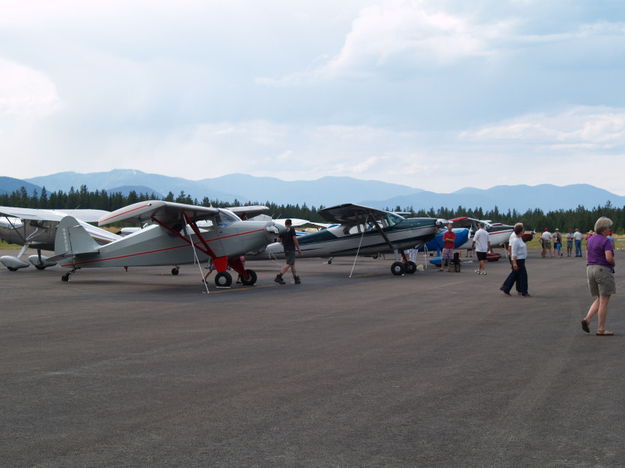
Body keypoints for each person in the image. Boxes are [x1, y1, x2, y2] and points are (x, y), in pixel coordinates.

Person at [581, 217, 616, 336]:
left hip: (590, 268)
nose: (610, 229)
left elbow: (587, 255)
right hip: (602, 269)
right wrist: (613, 263)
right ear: (604, 229)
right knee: (604, 300)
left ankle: (587, 319)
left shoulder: (590, 239)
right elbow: (609, 258)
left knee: (599, 298)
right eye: (609, 227)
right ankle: (601, 328)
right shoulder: (606, 241)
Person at [500, 223, 530, 297]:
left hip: (521, 260)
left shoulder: (520, 238)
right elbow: (514, 252)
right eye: (523, 230)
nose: (524, 231)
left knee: (514, 275)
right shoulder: (515, 240)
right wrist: (514, 263)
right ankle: (524, 292)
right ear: (520, 231)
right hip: (518, 260)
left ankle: (506, 288)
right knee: (523, 276)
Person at [275, 219, 302, 285]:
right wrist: (298, 248)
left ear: (285, 224)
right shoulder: (292, 229)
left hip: (286, 249)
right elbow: (294, 239)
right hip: (291, 249)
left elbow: (278, 240)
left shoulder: (282, 230)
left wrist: (285, 240)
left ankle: (296, 278)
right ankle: (279, 276)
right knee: (289, 264)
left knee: (292, 264)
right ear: (291, 224)